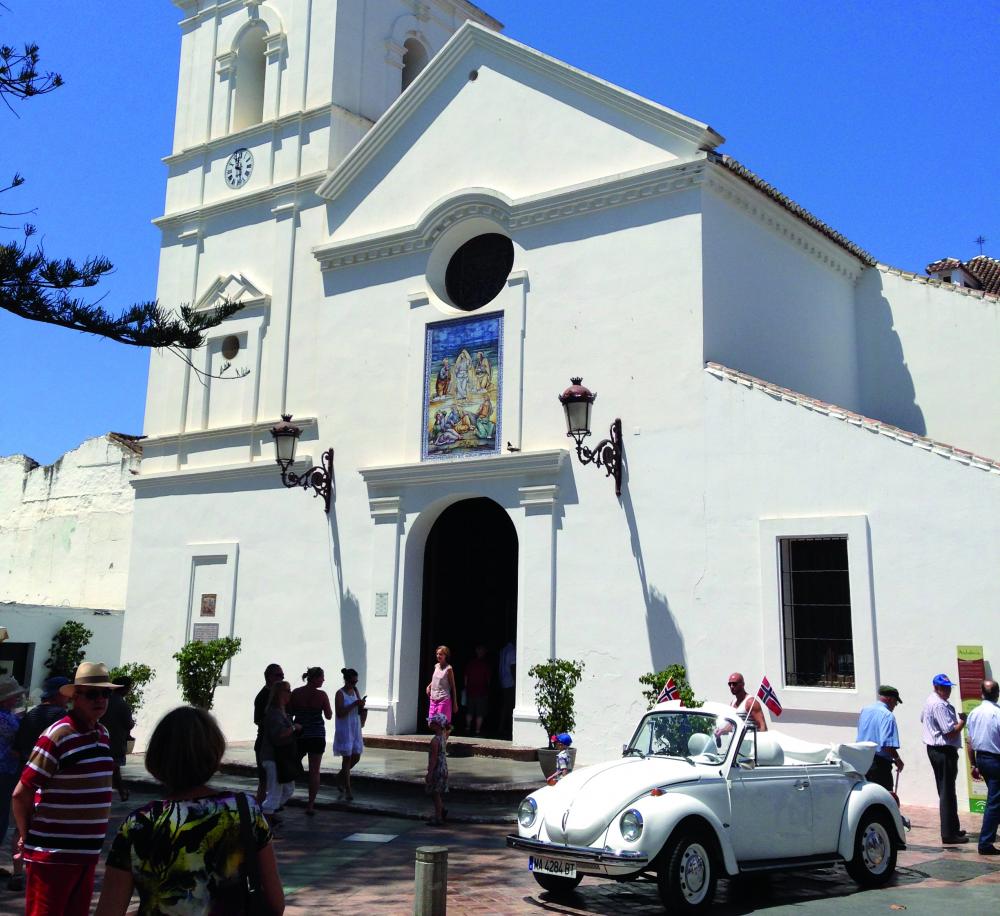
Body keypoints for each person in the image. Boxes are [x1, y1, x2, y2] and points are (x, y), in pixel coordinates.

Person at [94, 705, 285, 916]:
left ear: (157, 757)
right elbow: (275, 904)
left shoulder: (139, 825)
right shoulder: (244, 812)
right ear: (215, 753)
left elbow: (109, 910)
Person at [12, 662, 121, 916]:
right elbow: (21, 792)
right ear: (75, 696)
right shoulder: (57, 735)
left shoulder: (102, 733)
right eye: (92, 694)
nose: (101, 700)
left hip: (86, 853)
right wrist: (25, 835)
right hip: (54, 855)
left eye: (106, 693)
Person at [10, 676, 67, 893]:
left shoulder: (31, 714)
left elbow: (17, 747)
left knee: (20, 824)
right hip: (50, 780)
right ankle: (40, 873)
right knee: (47, 827)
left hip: (25, 774)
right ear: (59, 693)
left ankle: (17, 871)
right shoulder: (62, 718)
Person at [920, 673, 968, 844]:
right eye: (944, 688)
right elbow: (949, 731)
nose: (947, 691)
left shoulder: (930, 701)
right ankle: (948, 833)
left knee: (947, 790)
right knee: (947, 792)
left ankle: (953, 828)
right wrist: (963, 721)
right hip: (942, 750)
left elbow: (922, 719)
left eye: (948, 688)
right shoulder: (939, 705)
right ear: (936, 687)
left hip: (937, 749)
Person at [290, 667, 332, 816]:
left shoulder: (296, 693)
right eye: (322, 677)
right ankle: (310, 805)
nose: (323, 680)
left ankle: (284, 796)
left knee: (292, 761)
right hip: (317, 735)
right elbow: (328, 715)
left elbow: (290, 712)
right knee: (315, 771)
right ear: (315, 678)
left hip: (300, 734)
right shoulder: (322, 695)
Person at [967, 679, 1000, 856]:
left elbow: (970, 741)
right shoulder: (997, 713)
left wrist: (973, 763)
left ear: (981, 693)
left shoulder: (974, 713)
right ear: (997, 694)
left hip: (982, 759)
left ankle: (987, 839)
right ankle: (985, 842)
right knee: (994, 803)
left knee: (996, 800)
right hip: (996, 759)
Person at [258, 681, 300, 821]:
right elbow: (279, 734)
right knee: (275, 790)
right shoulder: (274, 713)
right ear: (280, 693)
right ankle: (266, 817)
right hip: (273, 756)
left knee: (288, 788)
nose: (290, 693)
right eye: (288, 690)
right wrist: (294, 728)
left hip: (282, 757)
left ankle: (269, 811)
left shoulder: (284, 712)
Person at [0, 677, 26, 887]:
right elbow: (20, 733)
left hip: (5, 770)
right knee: (1, 817)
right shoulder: (4, 718)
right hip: (4, 770)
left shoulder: (7, 715)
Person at [856, 685, 905, 791]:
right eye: (895, 702)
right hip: (879, 765)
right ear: (890, 699)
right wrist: (898, 759)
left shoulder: (865, 710)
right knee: (884, 798)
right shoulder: (887, 716)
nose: (895, 706)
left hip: (862, 760)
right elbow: (888, 745)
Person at [100, 677, 135, 802]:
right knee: (115, 769)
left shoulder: (105, 700)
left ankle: (121, 791)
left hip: (103, 740)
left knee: (112, 769)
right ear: (124, 688)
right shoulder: (122, 704)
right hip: (116, 741)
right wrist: (132, 722)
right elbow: (128, 724)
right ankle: (121, 792)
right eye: (129, 687)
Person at [333, 668, 366, 802]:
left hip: (355, 726)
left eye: (356, 681)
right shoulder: (340, 694)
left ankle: (340, 777)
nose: (354, 684)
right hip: (345, 728)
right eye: (352, 682)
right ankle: (348, 788)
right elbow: (340, 712)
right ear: (346, 680)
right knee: (346, 759)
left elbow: (358, 708)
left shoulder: (355, 691)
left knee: (356, 757)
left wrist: (361, 704)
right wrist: (354, 704)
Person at [254, 663, 284, 803]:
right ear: (269, 677)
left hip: (276, 742)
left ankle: (269, 810)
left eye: (282, 675)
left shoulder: (278, 695)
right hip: (265, 743)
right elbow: (257, 719)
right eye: (279, 675)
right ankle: (260, 810)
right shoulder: (263, 696)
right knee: (264, 781)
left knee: (274, 780)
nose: (282, 678)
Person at [426, 646, 457, 733]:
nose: (438, 656)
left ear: (445, 655)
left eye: (441, 654)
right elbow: (435, 679)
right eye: (437, 654)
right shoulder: (436, 666)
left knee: (440, 723)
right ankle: (446, 731)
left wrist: (455, 703)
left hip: (443, 699)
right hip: (433, 699)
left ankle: (441, 741)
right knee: (431, 723)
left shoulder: (449, 669)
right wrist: (429, 686)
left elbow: (453, 686)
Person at [425, 713, 449, 826]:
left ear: (437, 725)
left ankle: (438, 816)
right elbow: (450, 728)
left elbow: (433, 758)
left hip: (437, 769)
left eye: (433, 723)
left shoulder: (435, 741)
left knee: (435, 794)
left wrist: (429, 773)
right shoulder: (444, 737)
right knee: (437, 792)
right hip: (443, 767)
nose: (430, 724)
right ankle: (442, 810)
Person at [463, 645, 491, 736]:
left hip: (470, 691)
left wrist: (466, 688)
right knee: (480, 713)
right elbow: (488, 679)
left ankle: (467, 728)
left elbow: (466, 678)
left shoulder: (470, 663)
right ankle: (477, 731)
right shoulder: (485, 664)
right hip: (482, 691)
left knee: (469, 711)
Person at [499, 638, 516, 738]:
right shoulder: (512, 650)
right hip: (510, 681)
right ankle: (508, 728)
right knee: (508, 706)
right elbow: (512, 666)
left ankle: (502, 727)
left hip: (503, 680)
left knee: (505, 705)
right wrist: (515, 680)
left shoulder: (503, 650)